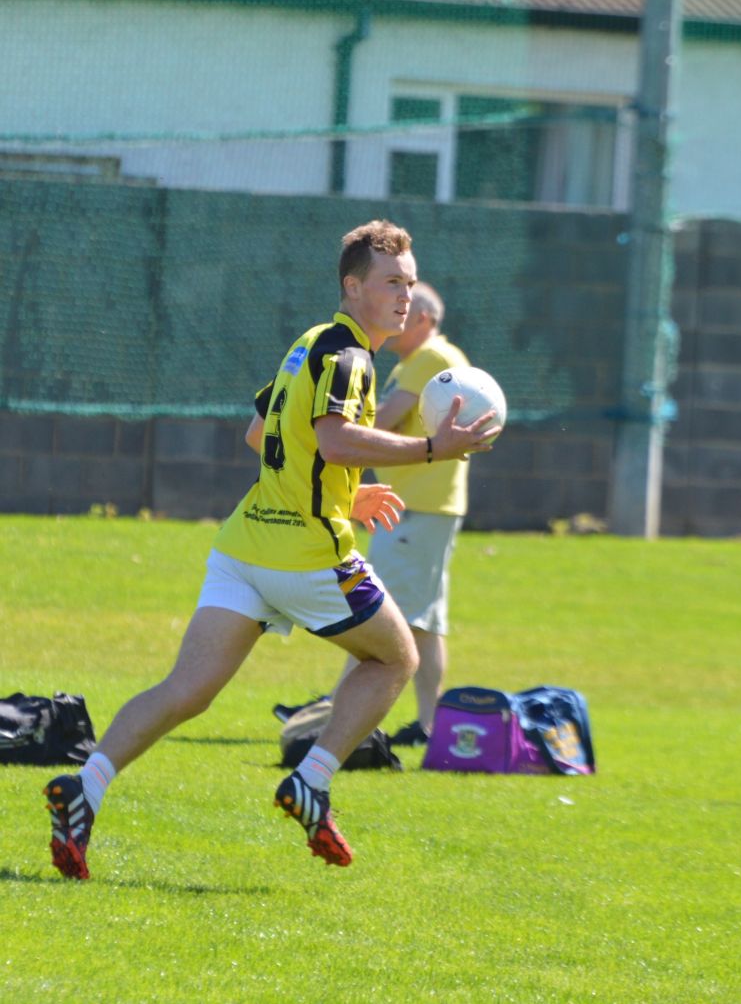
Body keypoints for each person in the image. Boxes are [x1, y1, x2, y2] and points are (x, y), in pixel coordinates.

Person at [41, 219, 500, 879]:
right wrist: (431, 448)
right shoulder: (350, 357)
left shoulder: (307, 344)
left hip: (244, 546)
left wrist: (348, 492)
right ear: (353, 286)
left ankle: (87, 785)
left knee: (186, 689)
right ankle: (312, 777)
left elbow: (261, 433)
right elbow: (336, 441)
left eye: (408, 282)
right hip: (307, 556)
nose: (404, 295)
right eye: (390, 282)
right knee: (396, 657)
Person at [333, 282, 471, 756]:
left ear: (426, 321)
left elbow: (384, 422)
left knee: (374, 612)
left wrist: (331, 430)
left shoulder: (433, 358)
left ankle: (334, 717)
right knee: (425, 622)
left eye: (408, 310)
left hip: (417, 507)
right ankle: (430, 726)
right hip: (423, 506)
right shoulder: (416, 362)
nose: (399, 313)